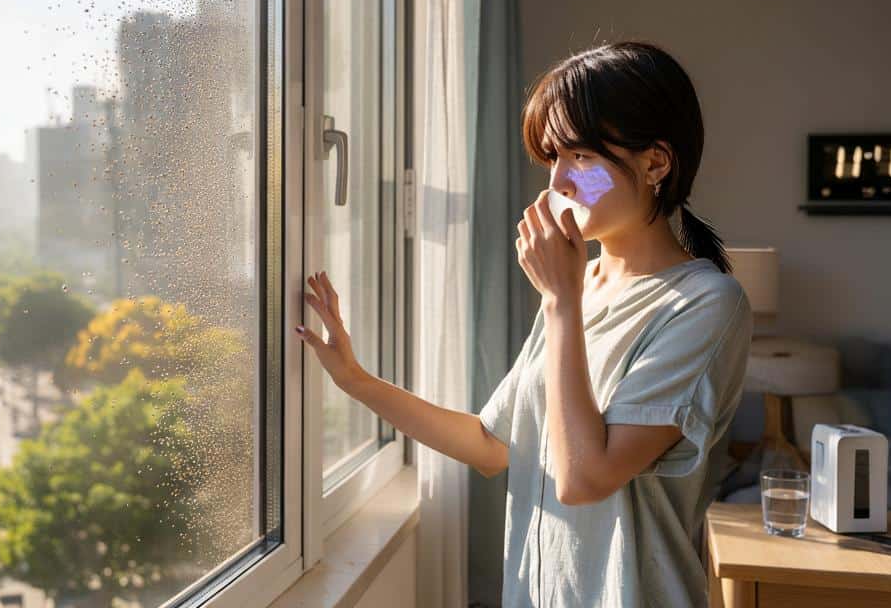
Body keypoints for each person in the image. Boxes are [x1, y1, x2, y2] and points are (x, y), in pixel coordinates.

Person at [296, 41, 753, 607]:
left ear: (655, 162)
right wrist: (356, 382)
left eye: (581, 158)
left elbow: (584, 479)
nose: (559, 181)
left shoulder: (706, 303)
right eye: (551, 158)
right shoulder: (574, 286)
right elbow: (494, 446)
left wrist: (561, 300)